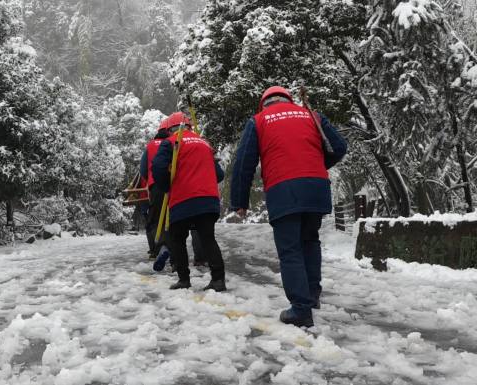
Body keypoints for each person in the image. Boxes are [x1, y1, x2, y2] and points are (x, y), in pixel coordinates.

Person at [230, 86, 347, 327]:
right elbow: (340, 147)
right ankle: (312, 296)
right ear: (288, 100)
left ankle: (301, 309)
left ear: (263, 104)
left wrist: (239, 201)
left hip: (284, 189)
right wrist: (316, 165)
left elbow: (244, 163)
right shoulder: (311, 115)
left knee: (290, 249)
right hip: (316, 186)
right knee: (310, 241)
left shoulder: (259, 121)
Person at [152, 112, 227, 291]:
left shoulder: (170, 143)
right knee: (208, 238)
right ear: (189, 127)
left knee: (177, 239)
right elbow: (219, 174)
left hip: (183, 198)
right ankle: (218, 279)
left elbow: (158, 167)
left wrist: (166, 186)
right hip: (208, 199)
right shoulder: (204, 144)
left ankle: (184, 279)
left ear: (170, 129)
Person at [140, 119, 171, 259]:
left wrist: (150, 181)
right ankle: (173, 250)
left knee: (155, 218)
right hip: (175, 185)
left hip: (156, 186)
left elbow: (143, 169)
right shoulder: (175, 143)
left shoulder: (151, 146)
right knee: (172, 219)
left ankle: (156, 249)